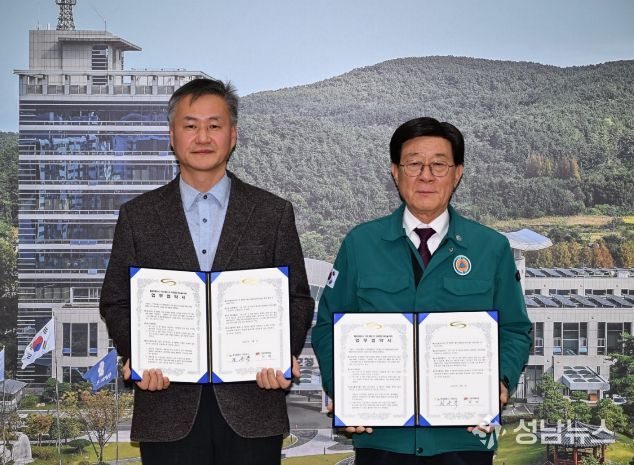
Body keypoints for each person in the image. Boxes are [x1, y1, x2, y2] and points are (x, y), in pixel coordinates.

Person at [100, 78, 314, 465]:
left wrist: (283, 354)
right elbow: (116, 300)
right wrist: (139, 354)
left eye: (214, 125)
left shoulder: (272, 213)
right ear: (172, 136)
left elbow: (297, 298)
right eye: (190, 125)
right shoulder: (138, 215)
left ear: (233, 135)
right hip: (166, 404)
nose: (202, 137)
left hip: (254, 404)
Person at [312, 117, 531, 465]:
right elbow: (327, 327)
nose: (426, 176)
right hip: (382, 439)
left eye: (439, 165)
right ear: (395, 173)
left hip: (465, 438)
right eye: (413, 164)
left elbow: (515, 329)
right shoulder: (360, 244)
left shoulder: (490, 248)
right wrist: (341, 388)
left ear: (457, 174)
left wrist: (501, 380)